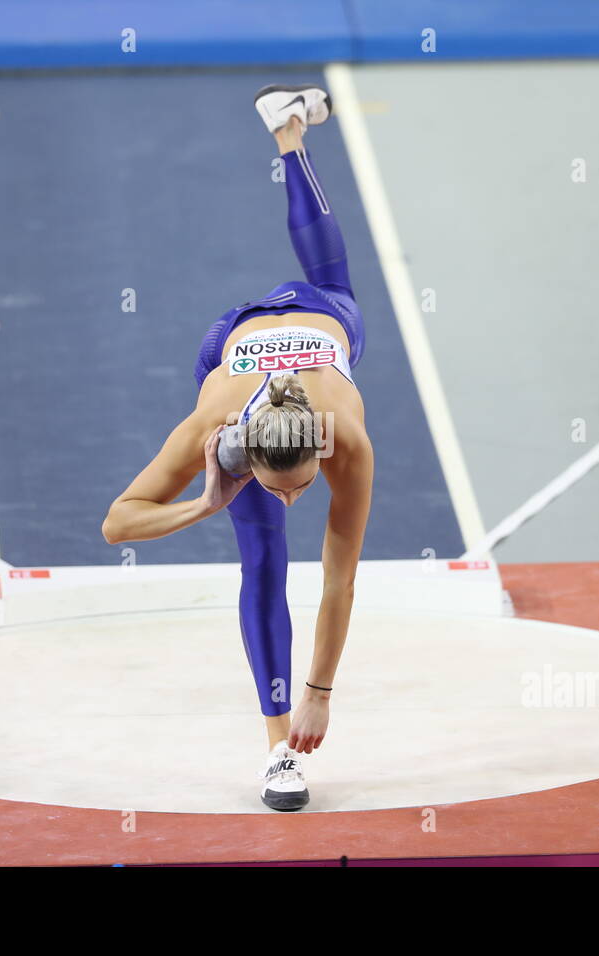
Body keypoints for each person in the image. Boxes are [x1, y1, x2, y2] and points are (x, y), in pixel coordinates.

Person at [102, 84, 374, 811]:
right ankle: (277, 753)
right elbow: (116, 523)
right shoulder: (213, 433)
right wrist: (202, 504)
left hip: (321, 327)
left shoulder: (345, 437)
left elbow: (339, 581)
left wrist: (321, 693)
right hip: (231, 345)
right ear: (248, 455)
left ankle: (289, 132)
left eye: (301, 485)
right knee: (265, 558)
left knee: (337, 289)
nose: (292, 497)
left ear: (320, 447)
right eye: (279, 486)